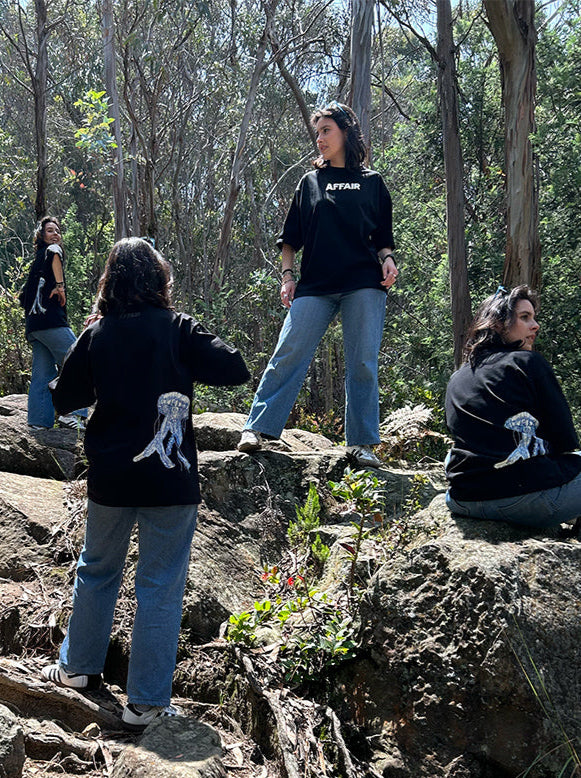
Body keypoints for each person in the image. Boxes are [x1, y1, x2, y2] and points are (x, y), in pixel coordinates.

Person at [40, 237, 250, 729]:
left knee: (96, 570)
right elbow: (235, 367)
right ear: (158, 279)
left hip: (111, 481)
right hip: (169, 483)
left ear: (110, 282)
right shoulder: (178, 328)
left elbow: (63, 398)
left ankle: (77, 670)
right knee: (159, 586)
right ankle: (147, 703)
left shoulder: (98, 334)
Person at [237, 101, 397, 469]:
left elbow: (383, 237)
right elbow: (290, 236)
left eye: (326, 131)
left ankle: (361, 444)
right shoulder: (310, 183)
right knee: (288, 351)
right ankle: (257, 428)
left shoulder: (372, 183)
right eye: (318, 132)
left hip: (363, 283)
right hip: (316, 284)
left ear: (345, 132)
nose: (320, 139)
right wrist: (287, 276)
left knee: (362, 363)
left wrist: (387, 259)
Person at [445, 284, 581, 528]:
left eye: (534, 317)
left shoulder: (458, 376)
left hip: (462, 500)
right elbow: (566, 443)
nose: (535, 325)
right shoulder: (528, 362)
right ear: (498, 324)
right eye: (525, 317)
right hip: (524, 499)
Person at [20, 216, 87, 430]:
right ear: (41, 235)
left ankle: (38, 422)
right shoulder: (51, 252)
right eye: (50, 230)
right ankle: (73, 414)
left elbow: (23, 297)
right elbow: (56, 253)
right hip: (51, 322)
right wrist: (60, 286)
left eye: (57, 230)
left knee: (42, 373)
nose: (55, 234)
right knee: (78, 360)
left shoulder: (37, 260)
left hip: (35, 327)